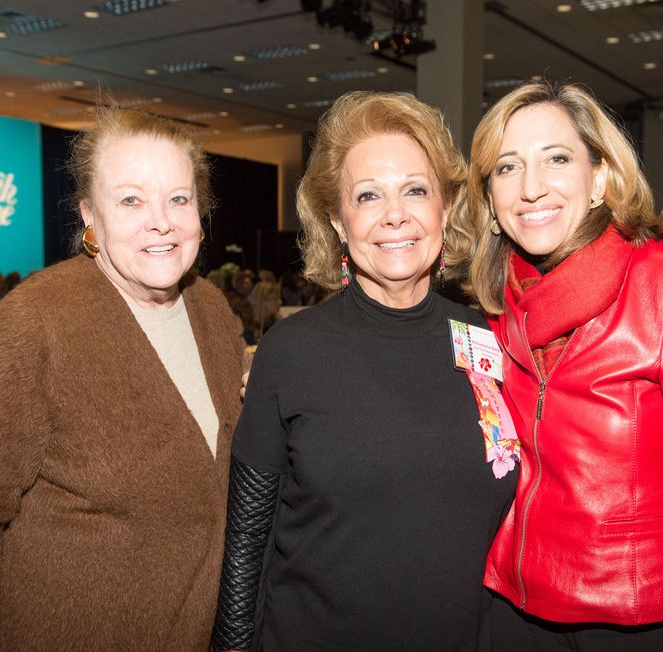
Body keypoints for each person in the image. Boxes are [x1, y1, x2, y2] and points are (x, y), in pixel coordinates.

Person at [0, 107, 246, 650]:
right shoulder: (36, 322)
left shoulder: (211, 310)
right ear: (89, 217)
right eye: (130, 200)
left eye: (179, 199)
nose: (160, 220)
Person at [211, 91, 516, 652]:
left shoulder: (488, 339)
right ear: (337, 219)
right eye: (368, 195)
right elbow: (247, 541)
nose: (394, 214)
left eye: (415, 191)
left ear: (444, 209)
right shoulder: (289, 351)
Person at [467, 81, 663, 650]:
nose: (530, 188)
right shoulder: (496, 309)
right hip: (509, 609)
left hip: (630, 621)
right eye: (506, 167)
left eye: (556, 158)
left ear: (599, 178)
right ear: (490, 199)